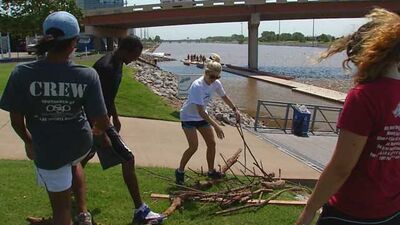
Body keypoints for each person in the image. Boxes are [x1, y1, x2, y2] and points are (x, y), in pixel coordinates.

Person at [0, 11, 118, 225]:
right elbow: (101, 120)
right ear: (74, 43)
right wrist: (97, 132)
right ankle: (83, 214)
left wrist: (29, 142)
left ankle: (75, 216)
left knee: (61, 210)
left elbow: (16, 121)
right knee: (74, 164)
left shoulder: (22, 73)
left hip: (48, 150)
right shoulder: (87, 75)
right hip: (80, 144)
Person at [295, 8, 400, 225]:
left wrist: (309, 210)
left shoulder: (364, 96)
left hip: (352, 212)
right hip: (392, 211)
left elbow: (341, 168)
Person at [78, 36, 165, 224]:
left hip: (101, 121)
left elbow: (108, 98)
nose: (135, 59)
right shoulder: (106, 67)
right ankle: (141, 211)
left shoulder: (118, 63)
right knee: (128, 158)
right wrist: (101, 130)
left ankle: (71, 188)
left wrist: (115, 116)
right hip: (96, 121)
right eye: (135, 55)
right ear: (127, 50)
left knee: (86, 154)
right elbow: (94, 100)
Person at [175, 53, 240, 185]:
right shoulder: (197, 86)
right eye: (212, 77)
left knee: (212, 144)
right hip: (188, 117)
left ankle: (211, 171)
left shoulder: (216, 83)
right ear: (206, 72)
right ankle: (180, 171)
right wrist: (216, 126)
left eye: (217, 77)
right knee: (193, 147)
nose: (214, 79)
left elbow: (224, 97)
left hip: (201, 117)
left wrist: (235, 109)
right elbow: (200, 111)